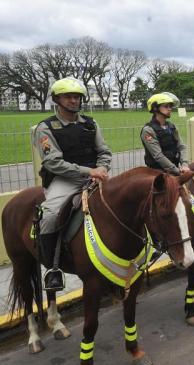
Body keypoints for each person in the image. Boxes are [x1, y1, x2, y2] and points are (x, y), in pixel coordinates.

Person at [32, 77, 112, 291]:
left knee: (126, 201)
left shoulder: (90, 123)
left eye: (77, 97)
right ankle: (52, 268)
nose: (73, 100)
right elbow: (53, 162)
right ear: (57, 99)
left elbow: (104, 151)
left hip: (96, 176)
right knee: (49, 215)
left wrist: (103, 168)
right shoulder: (46, 128)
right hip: (64, 180)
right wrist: (89, 171)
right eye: (68, 96)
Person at [140, 92, 190, 175]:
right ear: (155, 108)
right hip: (157, 174)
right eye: (166, 106)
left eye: (170, 106)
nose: (170, 109)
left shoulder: (171, 127)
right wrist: (177, 171)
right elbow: (158, 156)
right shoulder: (148, 130)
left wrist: (184, 164)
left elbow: (181, 146)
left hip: (175, 170)